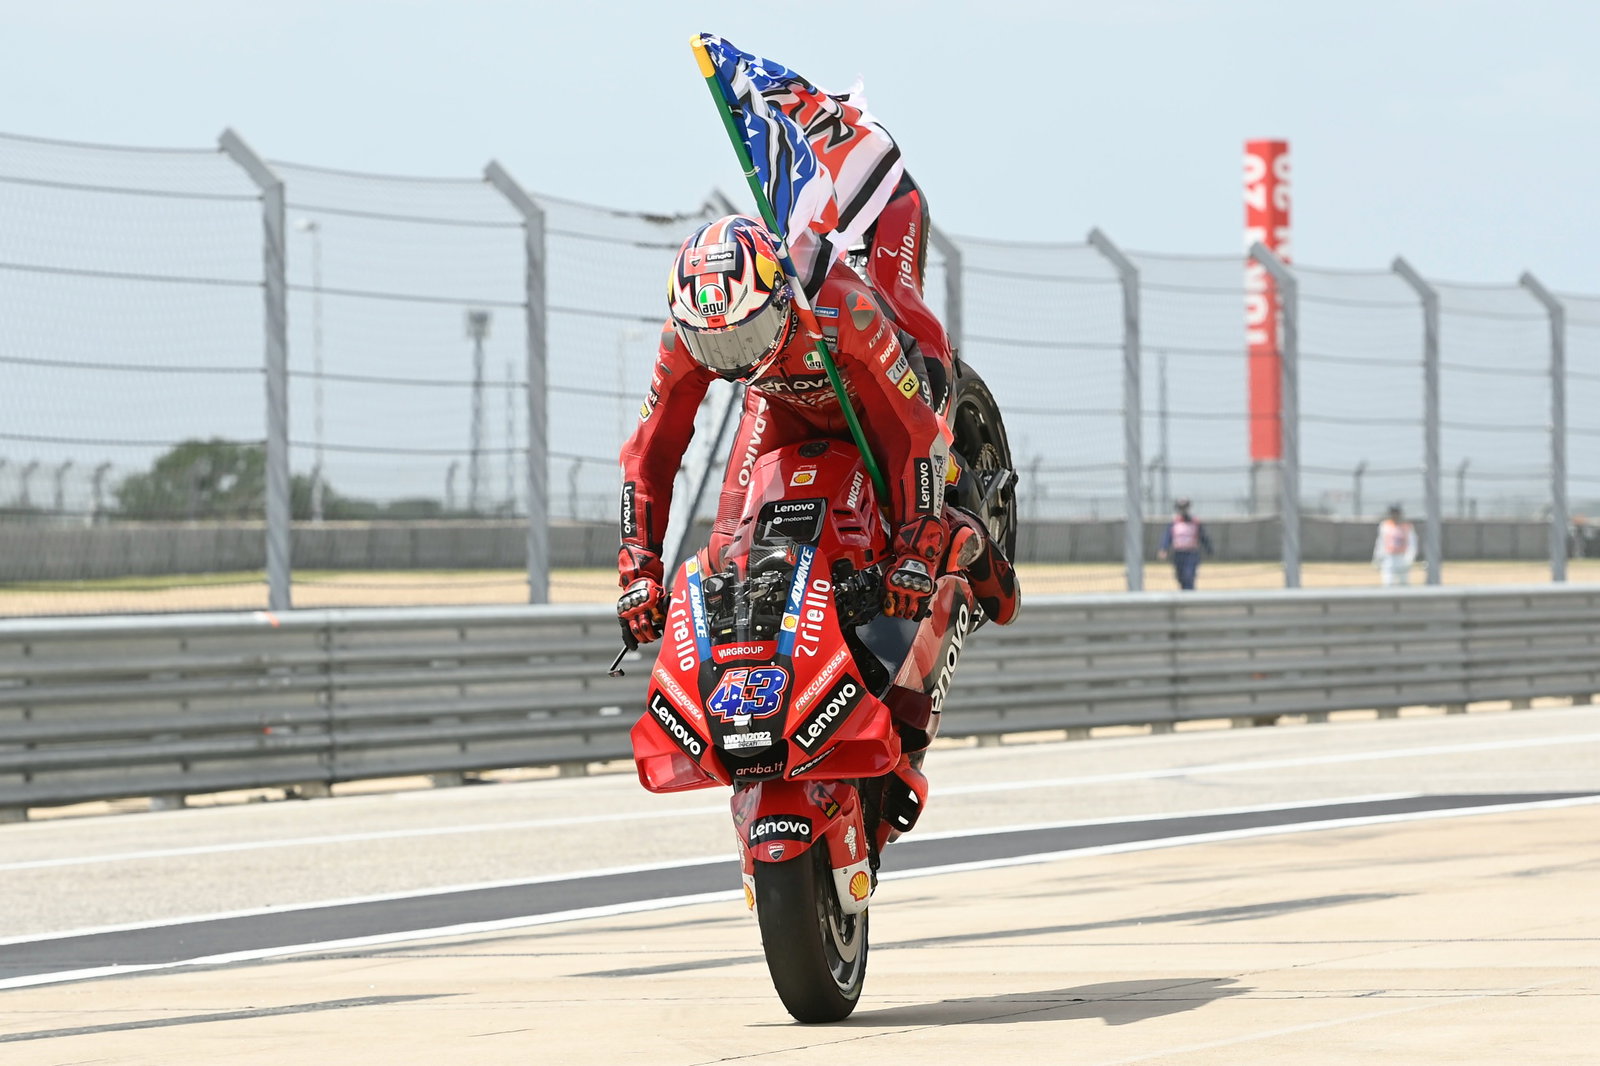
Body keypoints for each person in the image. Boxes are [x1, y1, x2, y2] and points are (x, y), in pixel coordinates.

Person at [615, 213, 1018, 646]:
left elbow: (912, 432)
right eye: (714, 346)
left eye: (746, 335)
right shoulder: (681, 339)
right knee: (725, 552)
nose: (733, 359)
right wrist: (639, 572)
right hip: (779, 403)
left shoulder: (844, 310)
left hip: (877, 396)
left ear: (781, 297)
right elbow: (648, 456)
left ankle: (968, 538)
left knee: (913, 523)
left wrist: (917, 550)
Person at [1157, 497, 1213, 591]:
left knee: (1189, 575)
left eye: (1185, 507)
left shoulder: (1195, 522)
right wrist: (1164, 549)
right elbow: (1167, 537)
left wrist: (1209, 549)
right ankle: (1185, 593)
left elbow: (1203, 537)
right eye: (1181, 508)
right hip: (1178, 553)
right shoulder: (1174, 523)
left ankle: (1189, 595)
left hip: (1191, 553)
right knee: (1180, 577)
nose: (1183, 510)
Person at [1373, 504, 1417, 586]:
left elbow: (1412, 543)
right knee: (1388, 583)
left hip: (1402, 557)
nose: (1394, 516)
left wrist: (1410, 558)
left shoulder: (1407, 526)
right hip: (1389, 558)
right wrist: (1377, 558)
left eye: (1396, 513)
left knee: (1403, 583)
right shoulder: (1385, 525)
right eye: (1392, 513)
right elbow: (1380, 543)